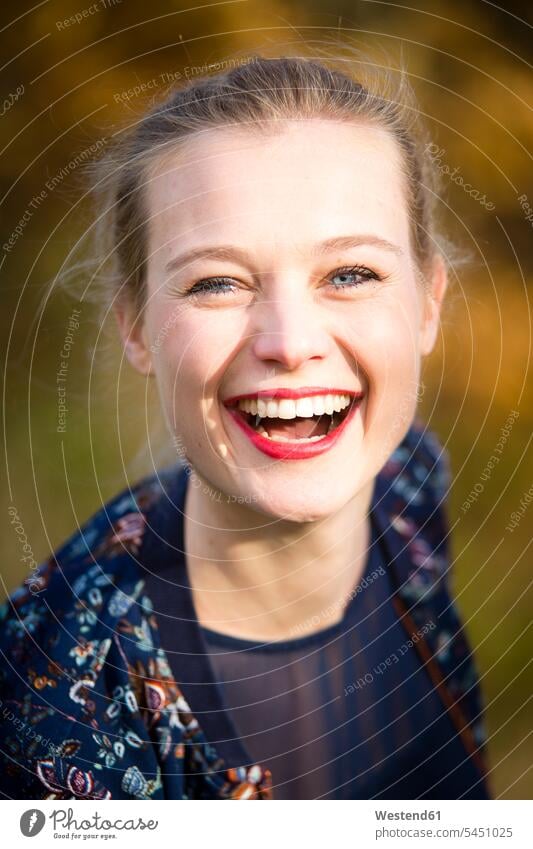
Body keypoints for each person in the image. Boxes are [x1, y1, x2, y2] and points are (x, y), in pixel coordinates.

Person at [0, 55, 490, 800]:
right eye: (216, 282)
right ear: (134, 325)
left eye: (350, 273)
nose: (290, 342)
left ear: (426, 301)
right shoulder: (48, 700)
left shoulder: (408, 481)